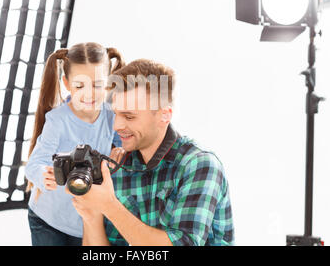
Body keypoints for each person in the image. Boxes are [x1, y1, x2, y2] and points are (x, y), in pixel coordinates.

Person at [68, 59, 234, 246]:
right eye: (116, 114)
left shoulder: (199, 166)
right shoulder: (120, 168)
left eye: (129, 116)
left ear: (165, 114)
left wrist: (109, 205)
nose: (117, 126)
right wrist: (92, 216)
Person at [24, 42, 126, 246]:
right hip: (48, 219)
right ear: (67, 83)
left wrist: (119, 158)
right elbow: (34, 164)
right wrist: (44, 175)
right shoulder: (58, 120)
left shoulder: (111, 118)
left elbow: (119, 153)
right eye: (80, 86)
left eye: (97, 85)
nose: (89, 94)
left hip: (85, 223)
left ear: (108, 83)